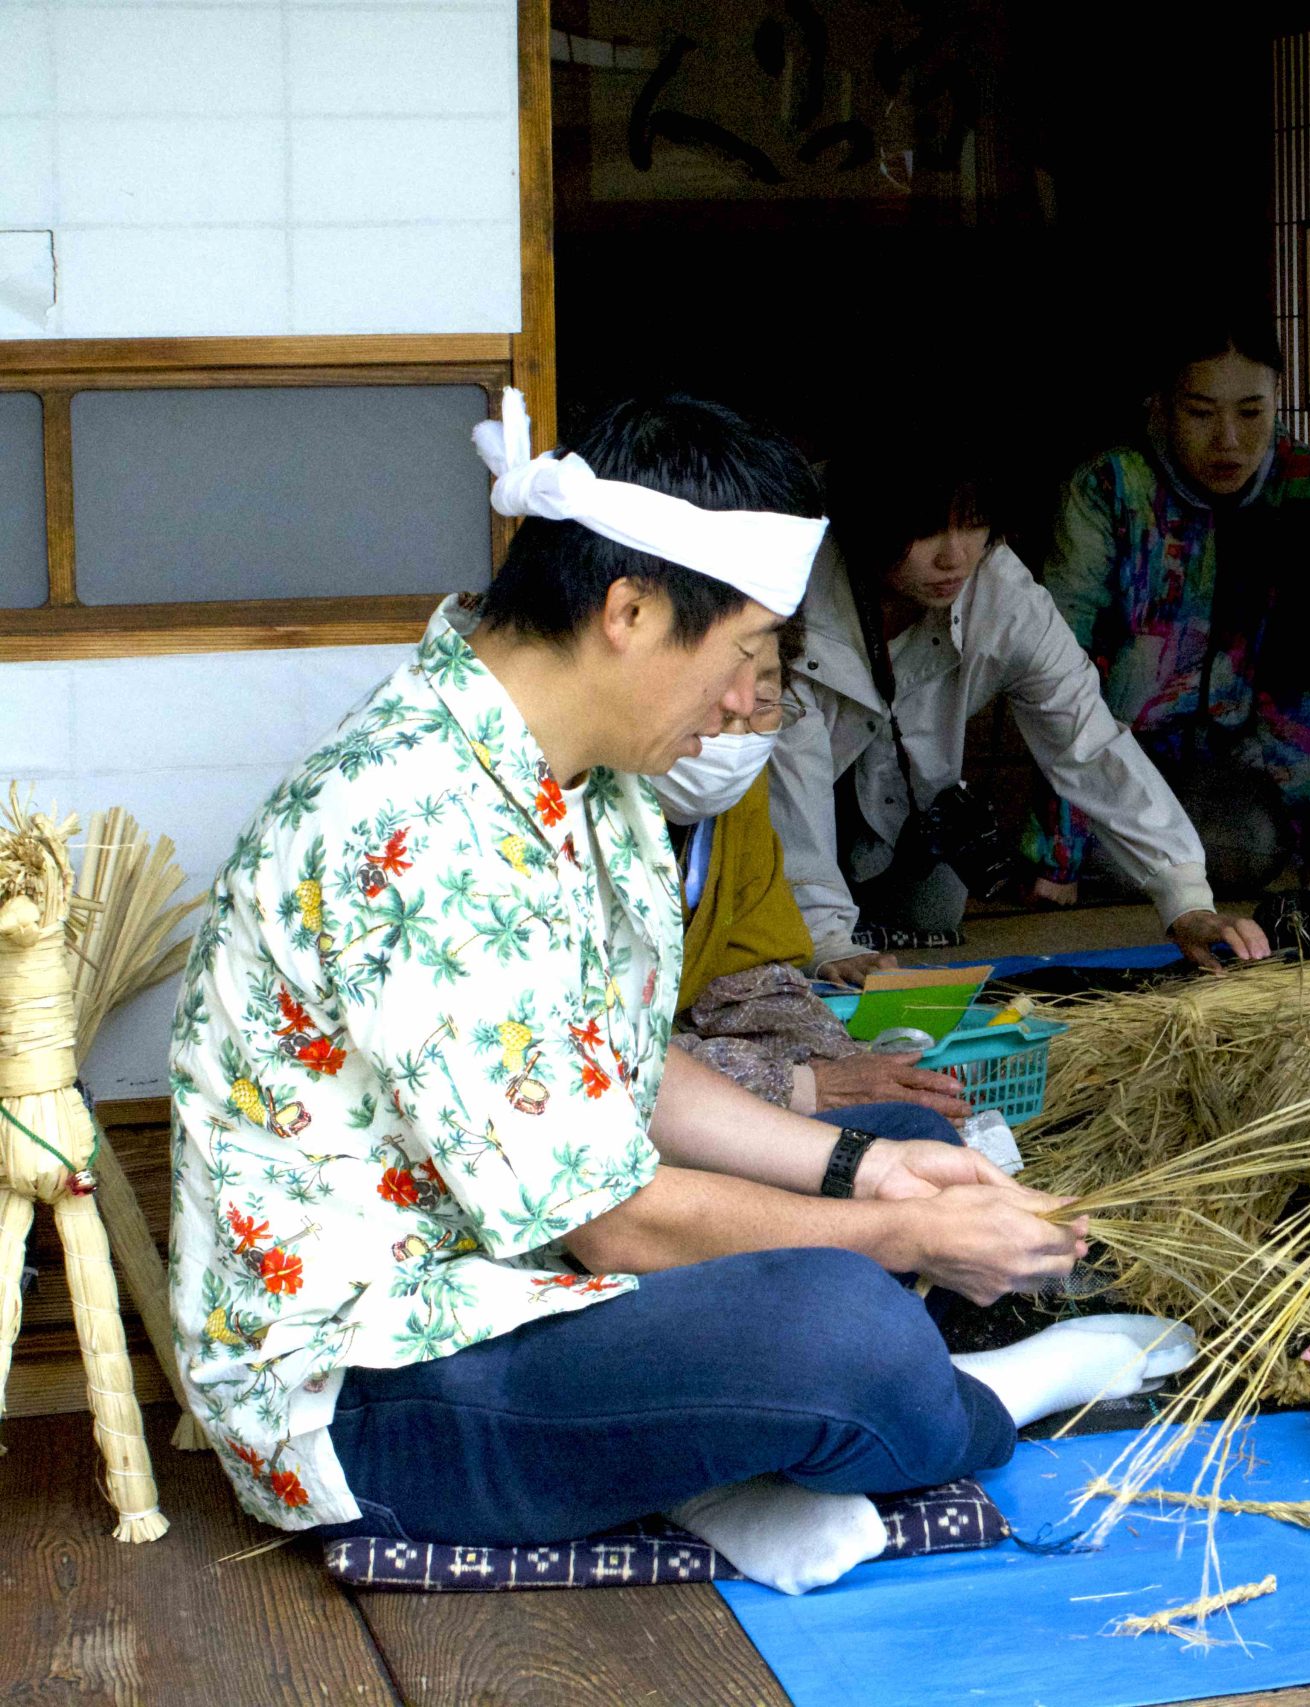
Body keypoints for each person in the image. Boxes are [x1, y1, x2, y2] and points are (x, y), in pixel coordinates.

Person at [165, 390, 1190, 1594]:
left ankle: (719, 1467)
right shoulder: (418, 819)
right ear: (631, 610)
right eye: (749, 658)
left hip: (531, 1268)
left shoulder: (578, 779)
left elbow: (621, 1069)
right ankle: (972, 1401)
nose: (753, 705)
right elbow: (611, 1217)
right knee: (841, 1328)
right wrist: (892, 1231)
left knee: (912, 1137)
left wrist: (864, 1174)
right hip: (382, 1382)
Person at [766, 421, 1270, 978]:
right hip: (766, 801)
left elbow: (1087, 739)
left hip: (897, 808)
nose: (955, 557)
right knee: (788, 941)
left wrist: (1185, 898)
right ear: (867, 521)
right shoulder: (791, 588)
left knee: (932, 910)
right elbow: (789, 775)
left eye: (975, 524)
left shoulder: (1002, 593)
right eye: (927, 529)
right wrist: (824, 939)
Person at [1024, 311, 1310, 902]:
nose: (1228, 439)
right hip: (1116, 757)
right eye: (1201, 412)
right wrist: (1058, 852)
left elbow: (1302, 676)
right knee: (1147, 855)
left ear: (1279, 397)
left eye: (1251, 412)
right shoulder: (1108, 490)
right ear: (1158, 405)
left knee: (1243, 850)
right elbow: (1060, 675)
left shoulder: (1306, 486)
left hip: (1231, 762)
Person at [650, 625, 970, 1121]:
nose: (738, 729)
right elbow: (591, 1057)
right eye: (712, 693)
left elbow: (747, 977)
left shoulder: (733, 792)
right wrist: (798, 1086)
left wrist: (844, 1066)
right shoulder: (565, 804)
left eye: (765, 696)